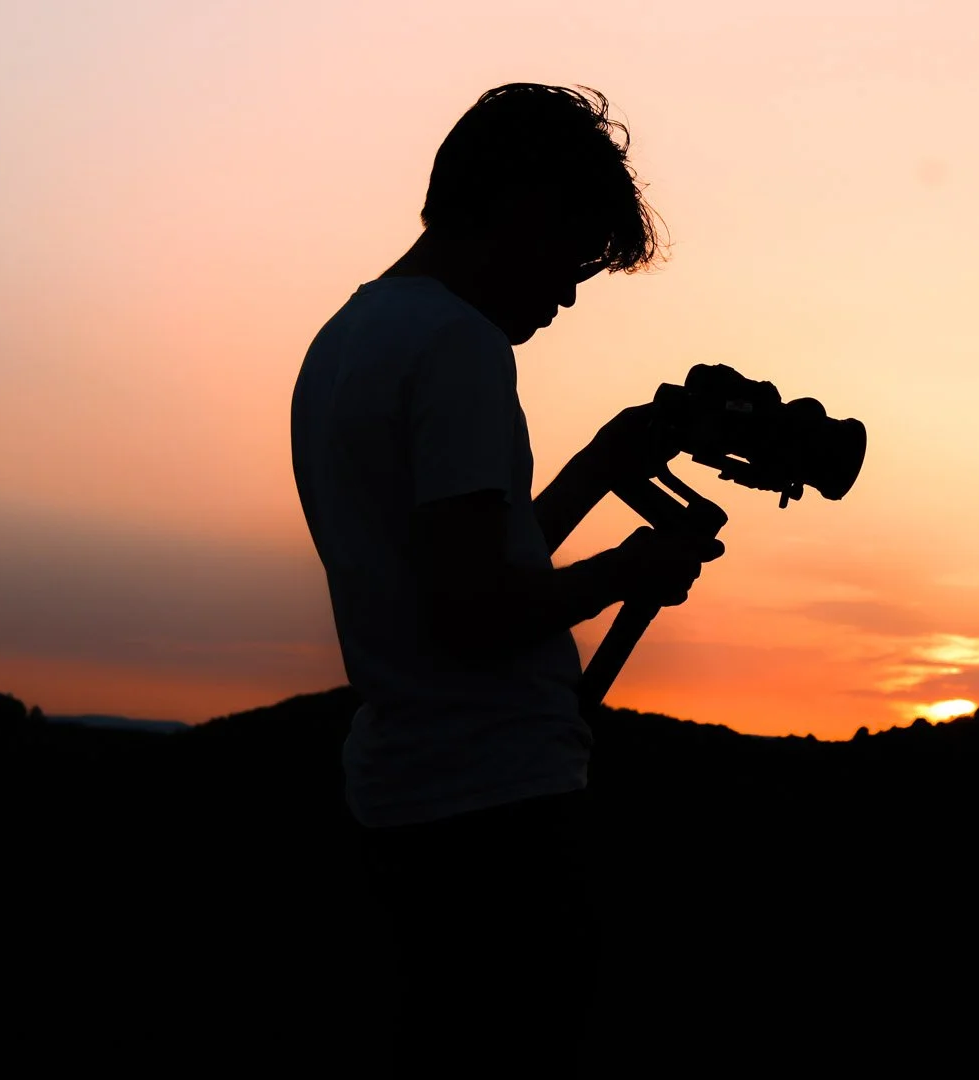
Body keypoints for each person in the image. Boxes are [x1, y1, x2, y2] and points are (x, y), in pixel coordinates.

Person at [290, 83, 723, 1076]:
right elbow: (475, 614)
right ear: (524, 208)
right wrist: (633, 569)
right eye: (574, 257)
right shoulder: (460, 346)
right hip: (496, 816)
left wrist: (596, 469)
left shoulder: (351, 336)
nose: (567, 296)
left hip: (404, 797)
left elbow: (468, 562)